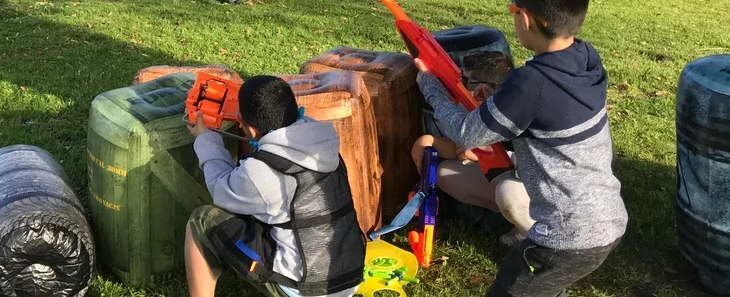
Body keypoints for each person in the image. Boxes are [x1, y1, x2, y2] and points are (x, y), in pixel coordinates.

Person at [415, 0, 627, 296]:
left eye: (513, 11)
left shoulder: (531, 83)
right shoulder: (585, 58)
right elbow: (544, 109)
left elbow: (466, 133)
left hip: (565, 236)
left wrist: (429, 84)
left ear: (526, 18)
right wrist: (501, 95)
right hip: (606, 219)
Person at [185, 75, 366, 297]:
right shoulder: (321, 141)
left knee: (202, 219)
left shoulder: (262, 172)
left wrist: (205, 139)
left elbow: (220, 189)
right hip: (349, 277)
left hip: (307, 288)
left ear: (249, 129)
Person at [411, 51, 533, 247]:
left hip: (539, 186)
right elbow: (460, 145)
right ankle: (518, 222)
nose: (461, 86)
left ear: (484, 87)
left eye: (466, 81)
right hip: (513, 176)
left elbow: (534, 165)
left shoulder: (521, 110)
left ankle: (544, 240)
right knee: (445, 173)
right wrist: (431, 141)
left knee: (508, 193)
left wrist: (484, 154)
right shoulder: (480, 106)